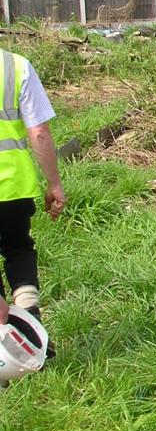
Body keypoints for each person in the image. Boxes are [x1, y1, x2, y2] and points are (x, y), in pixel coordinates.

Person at [0, 49, 65, 340]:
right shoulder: (15, 67)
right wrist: (54, 183)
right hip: (13, 186)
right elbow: (38, 131)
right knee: (18, 249)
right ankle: (30, 324)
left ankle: (8, 342)